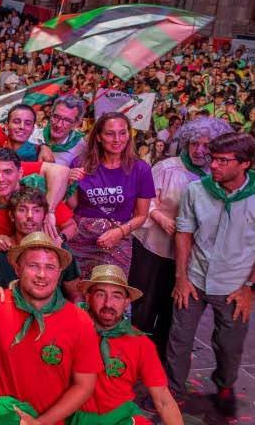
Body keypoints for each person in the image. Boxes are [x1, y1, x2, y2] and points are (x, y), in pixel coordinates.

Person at [0, 232, 102, 424]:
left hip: (48, 419)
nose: (42, 275)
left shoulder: (80, 321)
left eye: (50, 267)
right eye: (33, 266)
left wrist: (40, 422)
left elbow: (84, 385)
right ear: (17, 269)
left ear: (59, 274)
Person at [168, 132, 255, 416]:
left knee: (229, 346)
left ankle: (225, 386)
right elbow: (184, 234)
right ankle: (173, 391)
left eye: (222, 160)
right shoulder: (197, 190)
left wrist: (249, 287)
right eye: (212, 159)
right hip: (194, 277)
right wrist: (181, 277)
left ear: (245, 164)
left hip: (234, 284)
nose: (213, 165)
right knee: (179, 339)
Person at [130, 117, 232, 359]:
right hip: (153, 248)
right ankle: (135, 353)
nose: (199, 150)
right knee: (144, 303)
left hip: (186, 257)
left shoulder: (217, 175)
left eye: (206, 145)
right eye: (194, 143)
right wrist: (160, 217)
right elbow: (144, 199)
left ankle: (160, 358)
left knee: (173, 308)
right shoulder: (168, 167)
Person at [74, 265, 183, 425]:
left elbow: (163, 400)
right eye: (100, 294)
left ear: (127, 302)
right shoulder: (70, 328)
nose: (108, 303)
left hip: (120, 417)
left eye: (117, 296)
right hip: (75, 415)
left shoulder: (140, 343)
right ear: (88, 297)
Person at [66, 112, 155, 279]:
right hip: (80, 239)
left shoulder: (141, 169)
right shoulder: (80, 163)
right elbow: (72, 206)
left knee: (110, 292)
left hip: (117, 240)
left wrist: (119, 233)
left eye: (122, 133)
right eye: (109, 133)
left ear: (129, 134)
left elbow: (142, 215)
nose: (117, 139)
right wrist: (69, 184)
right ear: (98, 137)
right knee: (78, 293)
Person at [0, 148, 74, 252]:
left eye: (7, 172)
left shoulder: (38, 196)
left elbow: (71, 226)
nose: (0, 179)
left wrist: (60, 239)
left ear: (20, 174)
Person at [0, 187, 82, 300]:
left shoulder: (60, 250)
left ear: (44, 216)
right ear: (11, 216)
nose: (30, 216)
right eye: (22, 210)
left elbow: (76, 295)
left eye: (36, 210)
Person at [34, 95, 89, 167]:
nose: (59, 125)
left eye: (67, 120)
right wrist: (42, 146)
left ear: (76, 124)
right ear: (50, 115)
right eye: (56, 116)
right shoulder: (34, 135)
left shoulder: (81, 147)